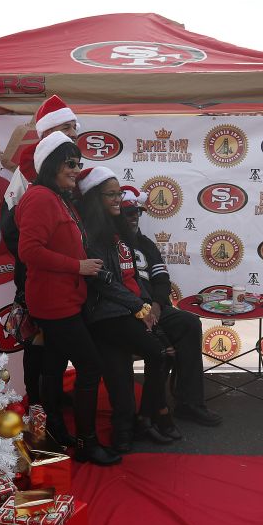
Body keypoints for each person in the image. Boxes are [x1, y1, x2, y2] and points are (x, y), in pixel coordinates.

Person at [14, 132, 119, 466]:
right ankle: (88, 443)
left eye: (79, 163)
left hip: (66, 299)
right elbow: (29, 250)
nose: (76, 169)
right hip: (54, 303)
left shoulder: (58, 197)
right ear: (50, 165)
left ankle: (54, 432)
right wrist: (79, 266)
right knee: (89, 366)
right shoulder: (41, 198)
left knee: (54, 366)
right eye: (69, 163)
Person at [73, 166, 171, 453]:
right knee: (155, 355)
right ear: (94, 197)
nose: (118, 199)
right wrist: (139, 307)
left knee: (120, 373)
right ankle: (139, 422)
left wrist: (146, 304)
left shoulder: (120, 229)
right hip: (106, 314)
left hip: (124, 312)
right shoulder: (89, 232)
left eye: (119, 193)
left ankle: (127, 429)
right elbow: (103, 282)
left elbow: (129, 277)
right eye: (111, 194)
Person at [1, 96, 80, 428]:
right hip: (37, 273)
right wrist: (35, 263)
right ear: (48, 133)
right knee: (39, 339)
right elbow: (10, 228)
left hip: (63, 273)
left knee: (57, 341)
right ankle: (38, 403)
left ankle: (52, 397)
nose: (73, 136)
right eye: (66, 129)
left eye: (75, 130)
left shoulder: (64, 168)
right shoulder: (28, 173)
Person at [121, 188, 224, 430]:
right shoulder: (110, 243)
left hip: (154, 308)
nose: (134, 217)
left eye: (136, 213)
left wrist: (156, 305)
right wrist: (141, 309)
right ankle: (145, 414)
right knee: (158, 345)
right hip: (126, 313)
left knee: (189, 323)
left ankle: (189, 403)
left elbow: (161, 279)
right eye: (128, 213)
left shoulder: (146, 244)